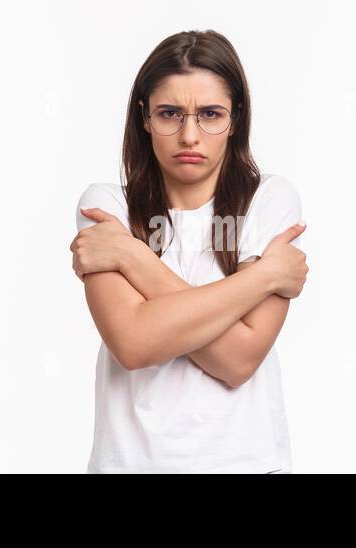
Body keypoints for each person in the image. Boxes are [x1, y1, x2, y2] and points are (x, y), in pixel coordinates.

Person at [71, 30, 308, 473]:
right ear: (144, 117)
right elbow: (134, 343)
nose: (189, 135)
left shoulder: (270, 201)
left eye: (210, 114)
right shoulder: (107, 207)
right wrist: (263, 276)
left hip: (245, 463)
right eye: (169, 113)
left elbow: (240, 360)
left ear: (236, 118)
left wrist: (132, 259)